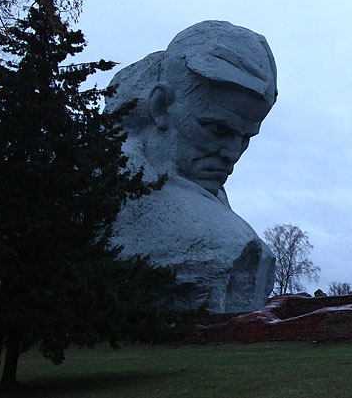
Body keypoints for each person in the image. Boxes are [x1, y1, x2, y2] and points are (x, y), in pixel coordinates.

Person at [106, 21, 278, 311]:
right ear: (161, 107)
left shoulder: (206, 196)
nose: (232, 153)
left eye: (245, 137)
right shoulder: (113, 189)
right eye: (217, 129)